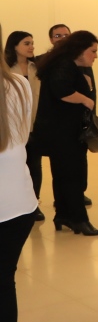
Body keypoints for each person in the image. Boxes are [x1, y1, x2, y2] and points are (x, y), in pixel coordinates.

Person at [32, 31, 98, 236]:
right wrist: (86, 100)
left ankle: (63, 215)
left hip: (60, 132)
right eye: (93, 51)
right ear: (80, 50)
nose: (95, 56)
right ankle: (78, 219)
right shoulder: (64, 65)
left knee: (63, 175)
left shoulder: (63, 64)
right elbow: (62, 91)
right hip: (63, 134)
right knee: (72, 176)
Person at [0, 46, 38, 322]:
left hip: (11, 204)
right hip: (19, 203)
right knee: (3, 282)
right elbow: (22, 138)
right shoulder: (19, 84)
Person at [47, 24, 93, 207]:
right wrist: (85, 100)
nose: (62, 38)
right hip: (62, 126)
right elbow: (62, 91)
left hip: (76, 124)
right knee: (64, 167)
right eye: (58, 35)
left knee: (78, 163)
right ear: (51, 39)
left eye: (66, 35)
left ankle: (76, 195)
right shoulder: (55, 63)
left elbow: (91, 91)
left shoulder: (81, 63)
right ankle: (67, 203)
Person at [4, 32, 44, 221]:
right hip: (15, 127)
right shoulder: (7, 69)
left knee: (35, 165)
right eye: (26, 43)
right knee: (18, 164)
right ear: (14, 46)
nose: (31, 47)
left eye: (32, 43)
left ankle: (35, 202)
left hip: (36, 124)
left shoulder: (37, 67)